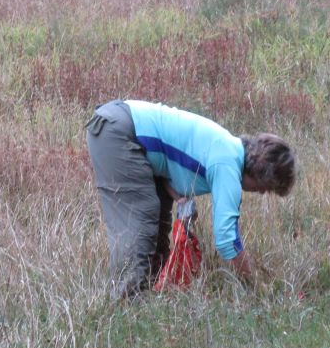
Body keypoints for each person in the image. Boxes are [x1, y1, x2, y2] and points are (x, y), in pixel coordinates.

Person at [86, 99, 296, 300]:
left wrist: (179, 199)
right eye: (266, 189)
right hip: (119, 133)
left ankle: (149, 296)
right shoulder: (228, 165)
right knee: (141, 222)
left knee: (158, 221)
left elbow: (163, 159)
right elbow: (226, 239)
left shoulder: (227, 147)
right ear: (261, 175)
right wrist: (257, 287)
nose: (262, 193)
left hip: (117, 124)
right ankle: (125, 304)